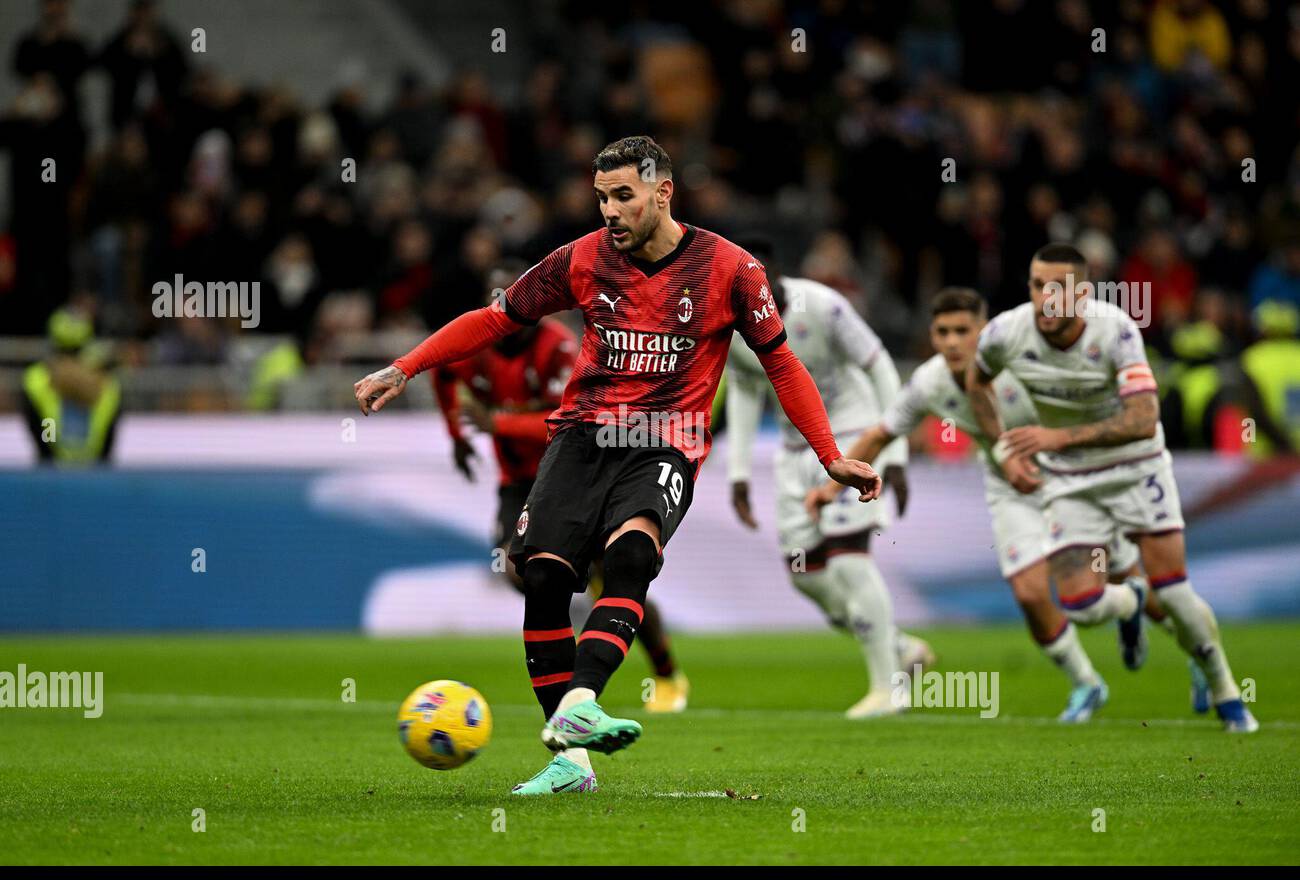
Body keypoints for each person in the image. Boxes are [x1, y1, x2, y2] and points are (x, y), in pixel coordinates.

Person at [354, 136, 880, 794]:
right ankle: (571, 762)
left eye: (623, 196)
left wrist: (832, 456)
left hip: (667, 438)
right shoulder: (580, 261)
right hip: (582, 438)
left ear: (662, 193)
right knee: (543, 578)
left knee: (632, 554)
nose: (608, 210)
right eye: (601, 197)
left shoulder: (732, 270)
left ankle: (580, 704)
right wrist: (405, 367)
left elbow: (781, 363)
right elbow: (493, 319)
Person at [807, 288, 1178, 722]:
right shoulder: (929, 382)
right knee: (1029, 592)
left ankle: (1185, 642)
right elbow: (880, 433)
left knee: (1118, 581)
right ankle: (1086, 683)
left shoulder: (1024, 362)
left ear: (984, 331)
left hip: (1074, 481)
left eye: (962, 331)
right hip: (1010, 490)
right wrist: (831, 488)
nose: (951, 342)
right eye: (942, 331)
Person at [965, 243, 1256, 732]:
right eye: (1038, 286)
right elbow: (977, 382)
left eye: (1058, 289)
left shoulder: (1116, 329)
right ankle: (1132, 601)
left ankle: (1225, 688)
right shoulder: (1004, 333)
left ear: (1083, 293)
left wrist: (1055, 437)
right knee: (1080, 607)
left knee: (1178, 593)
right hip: (1069, 480)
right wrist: (1002, 448)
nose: (1046, 299)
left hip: (1136, 468)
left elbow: (1144, 418)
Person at [435, 260, 690, 712]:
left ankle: (667, 673)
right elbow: (442, 371)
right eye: (497, 301)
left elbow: (563, 425)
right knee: (522, 572)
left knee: (618, 572)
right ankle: (569, 691)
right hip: (520, 481)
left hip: (581, 473)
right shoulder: (478, 346)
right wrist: (456, 438)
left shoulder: (559, 347)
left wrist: (498, 423)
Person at [726, 239, 932, 718]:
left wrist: (895, 449)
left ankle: (888, 689)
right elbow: (743, 392)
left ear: (775, 275)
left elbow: (878, 363)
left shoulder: (824, 307)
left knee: (849, 563)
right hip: (795, 453)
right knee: (805, 574)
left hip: (852, 440)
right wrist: (738, 475)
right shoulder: (732, 326)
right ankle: (900, 648)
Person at [22, 306, 121, 465]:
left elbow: (42, 433)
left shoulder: (36, 380)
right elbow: (107, 440)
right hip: (96, 475)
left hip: (50, 474)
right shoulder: (108, 383)